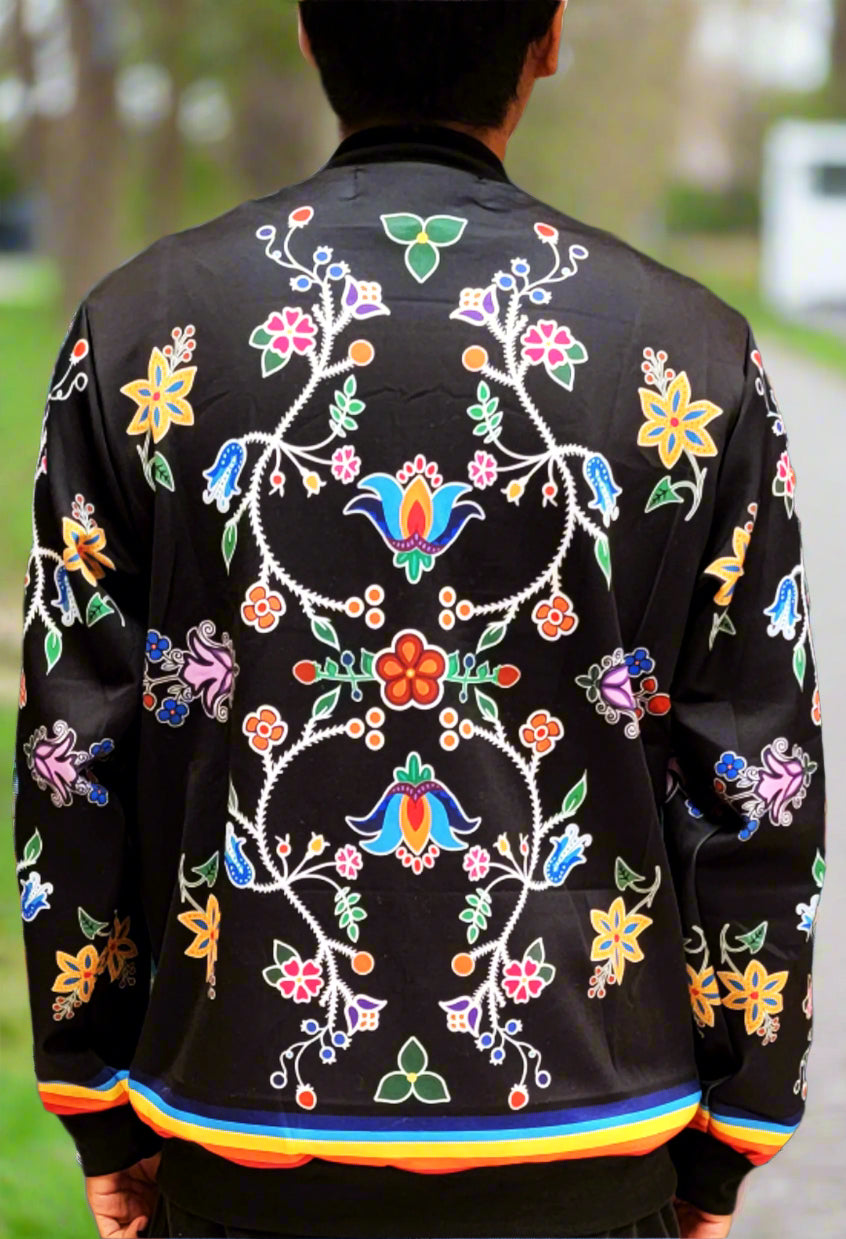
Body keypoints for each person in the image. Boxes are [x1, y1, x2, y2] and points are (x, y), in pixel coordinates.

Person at [12, 3, 825, 1238]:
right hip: (593, 1151)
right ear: (549, 37)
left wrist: (98, 1103)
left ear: (307, 29)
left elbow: (72, 754)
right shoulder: (691, 356)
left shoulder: (141, 330)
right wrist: (733, 1138)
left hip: (235, 1143)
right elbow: (760, 772)